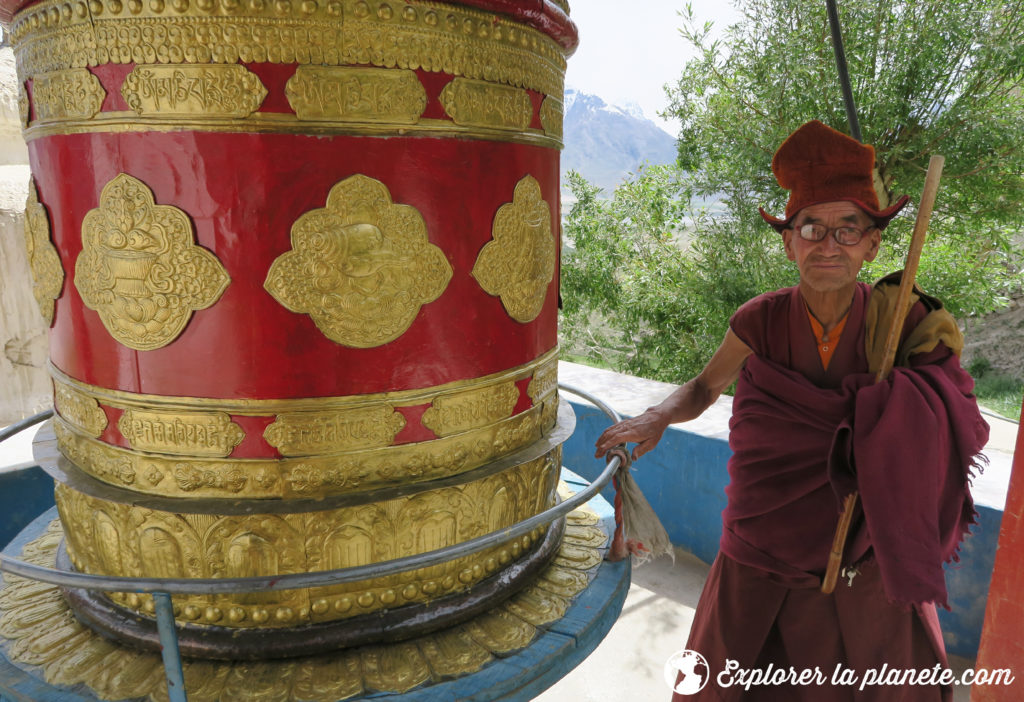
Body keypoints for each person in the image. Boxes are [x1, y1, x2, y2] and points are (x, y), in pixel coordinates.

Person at [594, 120, 989, 702]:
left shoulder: (900, 325)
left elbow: (954, 417)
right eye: (811, 227)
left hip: (860, 546)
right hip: (762, 543)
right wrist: (658, 416)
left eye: (848, 229)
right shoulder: (761, 319)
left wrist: (896, 413)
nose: (828, 244)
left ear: (872, 245)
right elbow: (704, 388)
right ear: (789, 242)